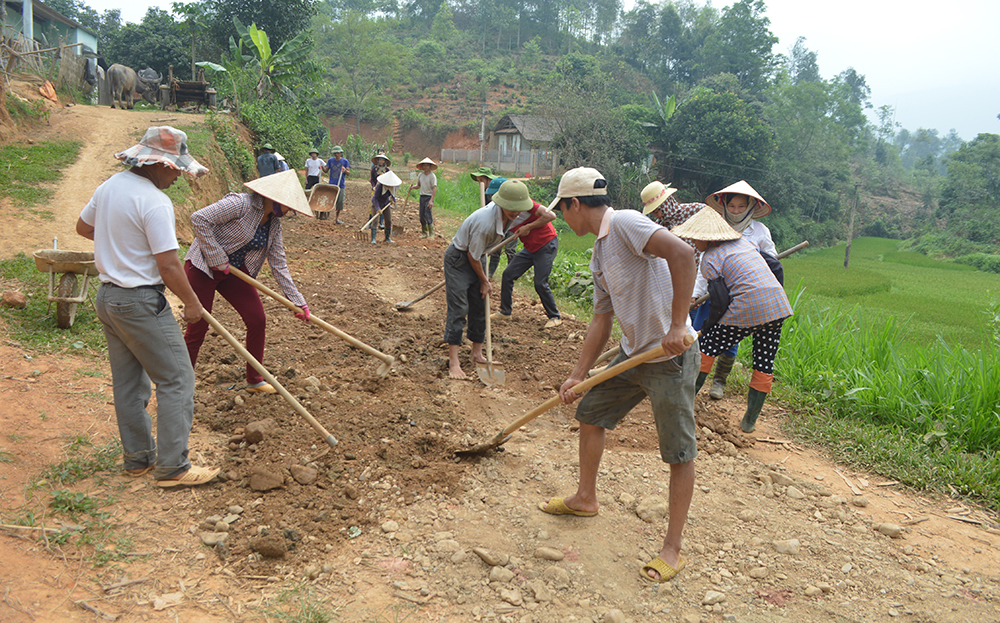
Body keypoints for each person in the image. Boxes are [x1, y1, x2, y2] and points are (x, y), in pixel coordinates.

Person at [540, 167, 698, 584]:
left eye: (564, 210)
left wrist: (678, 325)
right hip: (632, 355)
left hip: (670, 358)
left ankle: (672, 547)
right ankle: (585, 498)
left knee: (678, 452)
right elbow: (600, 321)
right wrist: (578, 374)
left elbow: (683, 254)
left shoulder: (626, 222)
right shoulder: (598, 254)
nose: (564, 219)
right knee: (590, 413)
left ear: (576, 204)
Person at [76, 126, 219, 488]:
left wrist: (116, 235)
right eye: (175, 169)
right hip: (139, 301)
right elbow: (169, 265)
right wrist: (192, 303)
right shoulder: (154, 201)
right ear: (156, 163)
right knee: (177, 378)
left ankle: (138, 459)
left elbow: (83, 227)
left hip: (108, 298)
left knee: (128, 383)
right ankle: (173, 467)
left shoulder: (109, 187)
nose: (177, 176)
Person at [183, 170, 314, 395]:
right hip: (203, 266)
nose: (290, 211)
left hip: (233, 271)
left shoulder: (273, 225)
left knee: (257, 319)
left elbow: (279, 263)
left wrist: (298, 302)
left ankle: (254, 379)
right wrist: (215, 256)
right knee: (199, 326)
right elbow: (199, 218)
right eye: (289, 205)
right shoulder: (240, 204)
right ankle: (181, 382)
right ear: (274, 199)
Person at [671, 205, 792, 433]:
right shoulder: (746, 244)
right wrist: (769, 292)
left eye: (695, 239)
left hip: (747, 307)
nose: (694, 243)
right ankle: (749, 421)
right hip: (778, 305)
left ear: (706, 239)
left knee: (706, 348)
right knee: (764, 362)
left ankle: (683, 401)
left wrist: (707, 328)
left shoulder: (710, 257)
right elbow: (775, 265)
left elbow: (719, 302)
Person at [691, 180, 777, 400]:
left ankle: (719, 381)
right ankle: (689, 379)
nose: (736, 211)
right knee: (701, 334)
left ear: (750, 206)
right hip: (714, 290)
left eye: (741, 206)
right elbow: (705, 264)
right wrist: (697, 293)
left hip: (742, 296)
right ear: (725, 205)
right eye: (732, 206)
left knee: (729, 340)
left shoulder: (759, 231)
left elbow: (772, 261)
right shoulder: (717, 225)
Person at [444, 180, 533, 380]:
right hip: (460, 259)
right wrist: (485, 280)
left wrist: (531, 226)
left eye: (518, 208)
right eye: (510, 207)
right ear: (501, 203)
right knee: (459, 308)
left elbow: (546, 214)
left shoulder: (517, 212)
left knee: (480, 305)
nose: (515, 212)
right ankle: (454, 362)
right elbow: (473, 257)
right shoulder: (485, 223)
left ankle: (476, 353)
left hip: (478, 257)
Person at [494, 187, 562, 329]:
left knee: (540, 283)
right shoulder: (501, 214)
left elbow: (551, 216)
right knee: (507, 275)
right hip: (530, 248)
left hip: (546, 244)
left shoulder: (527, 205)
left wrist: (528, 227)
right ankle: (505, 311)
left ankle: (555, 316)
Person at [484, 176, 519, 278]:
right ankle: (490, 273)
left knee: (510, 250)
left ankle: (512, 273)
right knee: (495, 250)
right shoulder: (492, 202)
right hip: (500, 226)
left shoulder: (514, 201)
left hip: (513, 228)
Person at [370, 170, 401, 244]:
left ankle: (387, 238)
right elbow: (374, 198)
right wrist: (378, 208)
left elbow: (392, 195)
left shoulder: (393, 187)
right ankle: (373, 239)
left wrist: (393, 200)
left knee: (388, 220)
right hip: (377, 203)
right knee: (375, 221)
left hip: (385, 203)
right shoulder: (380, 186)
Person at [410, 157, 438, 239]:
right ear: (422, 167)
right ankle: (424, 233)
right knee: (421, 214)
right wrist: (412, 188)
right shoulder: (420, 175)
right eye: (424, 165)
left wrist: (431, 200)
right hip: (422, 196)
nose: (425, 167)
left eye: (427, 165)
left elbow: (434, 188)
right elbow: (418, 185)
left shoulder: (432, 176)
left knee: (427, 214)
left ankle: (431, 233)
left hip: (429, 197)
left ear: (430, 166)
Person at [321, 146, 350, 223]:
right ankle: (326, 217)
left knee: (339, 202)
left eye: (338, 153)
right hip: (332, 184)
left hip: (340, 185)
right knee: (329, 201)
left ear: (340, 153)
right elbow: (326, 170)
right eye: (335, 153)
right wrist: (322, 168)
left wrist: (344, 170)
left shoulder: (345, 161)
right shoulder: (330, 161)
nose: (336, 154)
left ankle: (337, 218)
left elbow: (348, 173)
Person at [370, 151, 391, 230]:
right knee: (373, 205)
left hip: (384, 190)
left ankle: (381, 223)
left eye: (383, 160)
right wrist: (374, 186)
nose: (381, 161)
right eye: (380, 160)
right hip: (376, 189)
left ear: (385, 161)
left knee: (384, 209)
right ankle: (372, 222)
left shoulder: (387, 171)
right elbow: (372, 180)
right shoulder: (374, 170)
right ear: (378, 161)